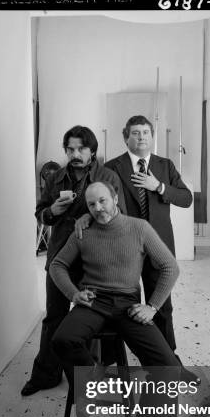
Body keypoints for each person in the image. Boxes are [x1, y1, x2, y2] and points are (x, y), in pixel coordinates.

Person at [49, 181, 186, 417]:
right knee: (63, 340)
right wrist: (73, 294)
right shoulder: (83, 231)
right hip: (93, 301)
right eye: (92, 205)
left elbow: (169, 266)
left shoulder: (139, 228)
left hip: (127, 303)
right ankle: (95, 389)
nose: (98, 209)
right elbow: (57, 265)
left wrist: (152, 306)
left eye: (103, 201)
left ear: (115, 199)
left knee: (166, 366)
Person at [21, 126, 125, 397]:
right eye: (70, 149)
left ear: (92, 150)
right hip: (59, 260)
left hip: (94, 261)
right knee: (54, 317)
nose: (75, 154)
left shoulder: (107, 176)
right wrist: (51, 212)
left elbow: (119, 214)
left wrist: (90, 216)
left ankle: (89, 379)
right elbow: (40, 213)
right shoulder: (55, 177)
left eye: (81, 149)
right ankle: (46, 375)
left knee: (90, 319)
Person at [104, 115, 193, 373]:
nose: (141, 137)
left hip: (158, 246)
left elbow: (186, 198)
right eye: (135, 133)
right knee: (122, 306)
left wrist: (160, 187)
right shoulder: (112, 167)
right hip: (125, 248)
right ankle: (117, 361)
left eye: (145, 132)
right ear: (126, 137)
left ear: (152, 136)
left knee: (162, 306)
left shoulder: (165, 166)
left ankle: (169, 361)